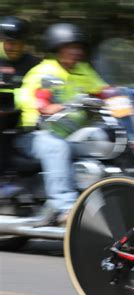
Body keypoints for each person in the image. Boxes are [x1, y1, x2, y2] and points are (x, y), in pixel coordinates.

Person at [14, 22, 108, 224]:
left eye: (78, 47)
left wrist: (124, 97)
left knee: (105, 140)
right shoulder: (45, 71)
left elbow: (103, 91)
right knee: (57, 147)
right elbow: (30, 97)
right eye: (70, 47)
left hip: (73, 134)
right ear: (57, 48)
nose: (76, 51)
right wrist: (45, 106)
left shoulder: (83, 70)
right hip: (36, 134)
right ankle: (65, 208)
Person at [0, 16, 40, 196]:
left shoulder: (34, 64)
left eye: (15, 43)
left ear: (24, 42)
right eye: (6, 42)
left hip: (23, 117)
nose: (10, 47)